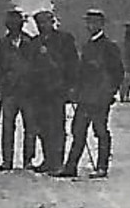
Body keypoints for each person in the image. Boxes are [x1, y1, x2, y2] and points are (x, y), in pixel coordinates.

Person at [54, 9, 126, 179]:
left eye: (94, 23)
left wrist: (110, 93)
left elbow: (118, 72)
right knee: (78, 131)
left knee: (100, 131)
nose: (90, 26)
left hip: (100, 98)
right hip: (85, 97)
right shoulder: (87, 46)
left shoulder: (109, 47)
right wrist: (75, 90)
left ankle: (102, 167)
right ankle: (70, 167)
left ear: (101, 24)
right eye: (88, 23)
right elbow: (81, 73)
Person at [29, 10, 78, 172]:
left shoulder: (64, 39)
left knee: (57, 126)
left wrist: (71, 86)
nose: (43, 26)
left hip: (58, 89)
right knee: (42, 127)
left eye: (46, 22)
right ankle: (47, 160)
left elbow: (72, 63)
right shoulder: (34, 43)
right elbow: (30, 66)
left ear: (52, 22)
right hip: (39, 91)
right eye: (40, 23)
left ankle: (57, 161)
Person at [0, 9, 38, 171]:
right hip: (9, 91)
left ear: (21, 25)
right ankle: (7, 160)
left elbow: (37, 68)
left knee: (30, 127)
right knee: (8, 126)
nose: (13, 26)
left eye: (16, 23)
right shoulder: (1, 44)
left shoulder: (30, 43)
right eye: (10, 24)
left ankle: (28, 160)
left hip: (29, 91)